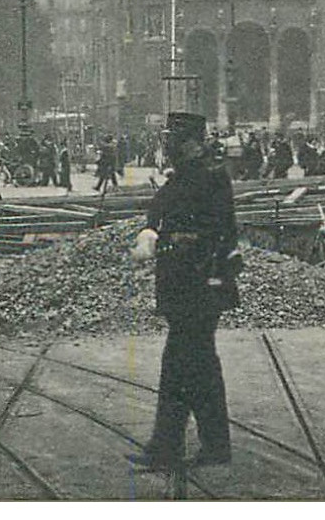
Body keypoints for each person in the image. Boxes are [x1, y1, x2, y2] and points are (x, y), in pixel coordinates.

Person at [128, 112, 239, 473]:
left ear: (191, 141)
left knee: (181, 365)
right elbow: (159, 209)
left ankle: (167, 448)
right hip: (186, 285)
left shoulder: (208, 176)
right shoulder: (188, 175)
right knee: (199, 365)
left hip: (201, 283)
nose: (167, 146)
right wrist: (149, 230)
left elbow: (219, 231)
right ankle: (211, 445)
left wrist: (174, 239)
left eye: (173, 139)